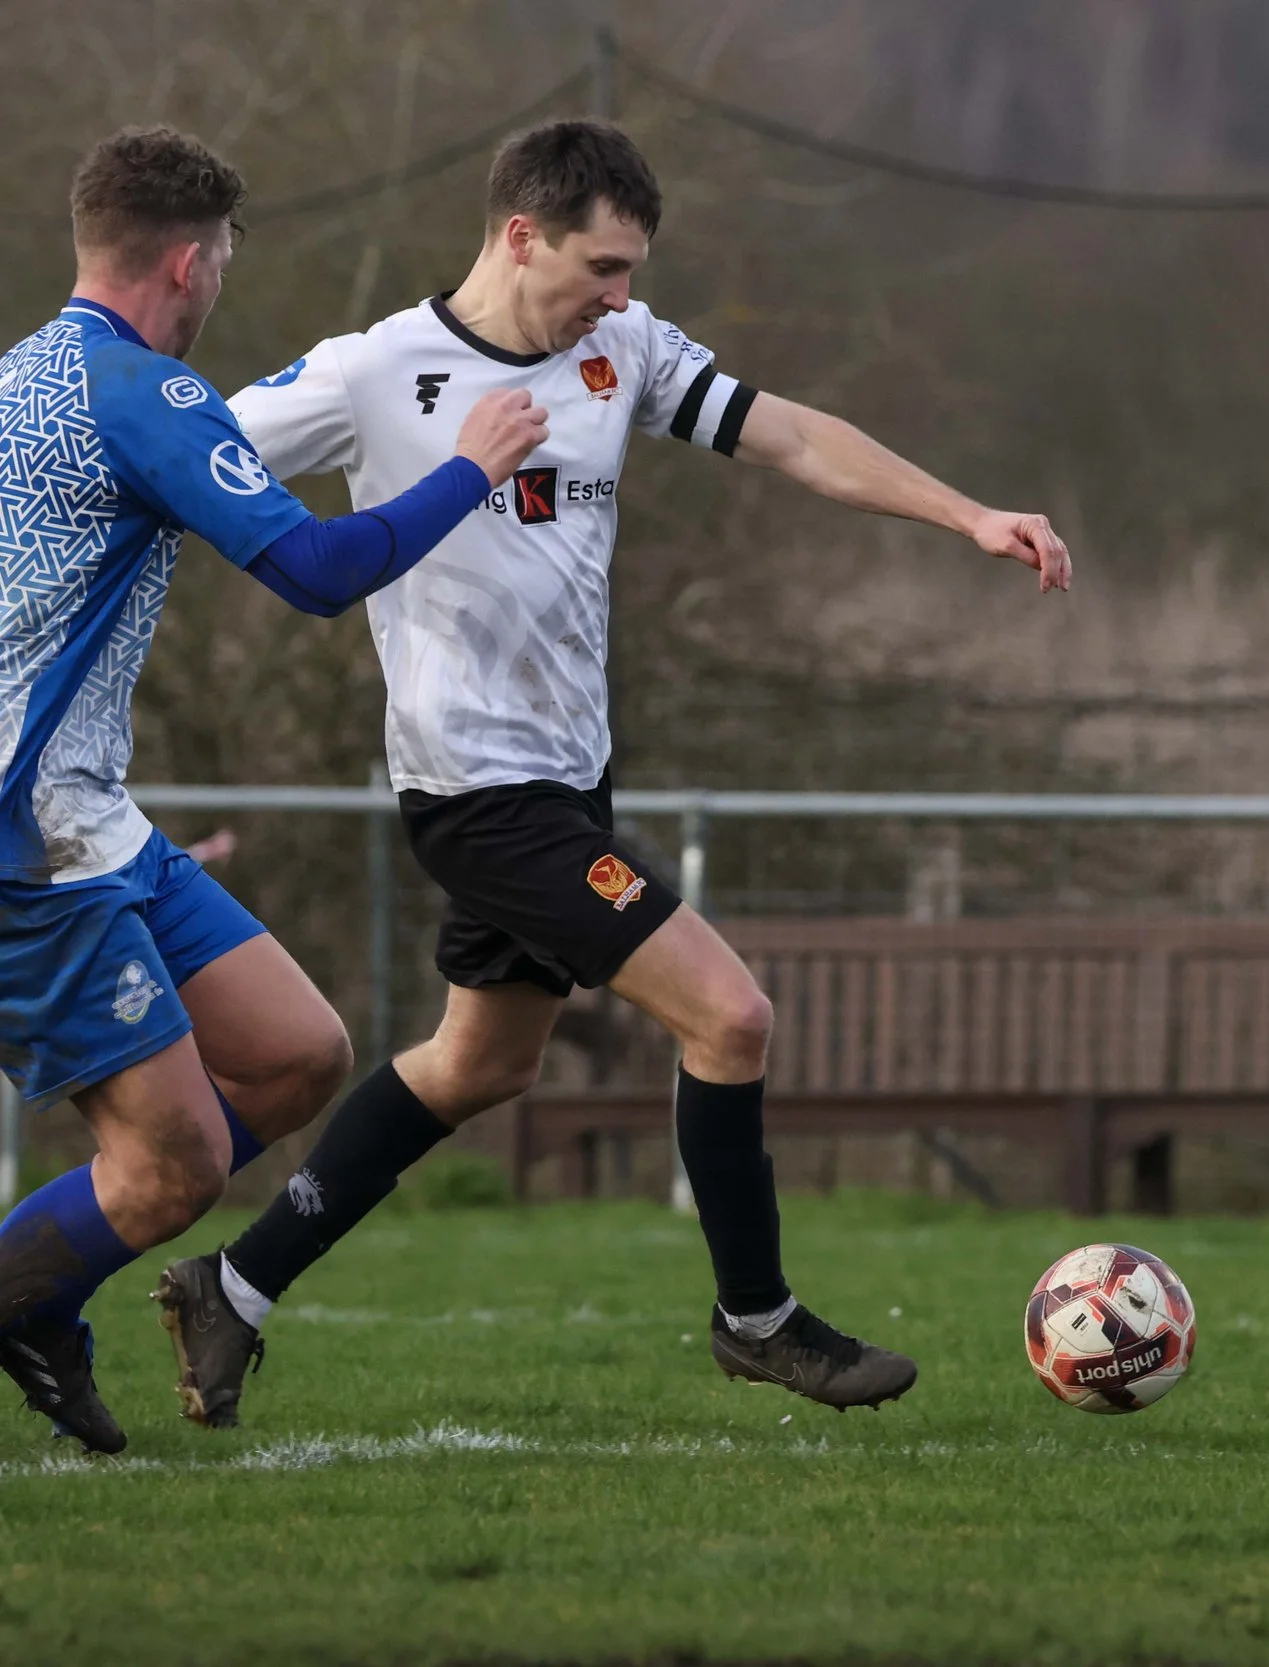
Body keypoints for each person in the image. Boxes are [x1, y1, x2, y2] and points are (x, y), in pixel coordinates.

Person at [155, 118, 1071, 1425]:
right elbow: (185, 461)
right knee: (731, 1016)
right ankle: (758, 1319)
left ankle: (232, 1288)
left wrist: (969, 513)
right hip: (478, 793)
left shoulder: (620, 350)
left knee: (477, 1063)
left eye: (633, 269)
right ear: (522, 236)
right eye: (603, 266)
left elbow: (793, 437)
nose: (622, 295)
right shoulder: (375, 372)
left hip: (568, 782)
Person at [0, 126, 544, 1452]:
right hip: (30, 843)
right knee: (174, 1166)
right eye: (224, 265)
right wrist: (472, 468)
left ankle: (40, 1288)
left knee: (299, 1051)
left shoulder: (23, 375)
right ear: (190, 264)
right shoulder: (142, 393)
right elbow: (314, 570)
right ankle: (23, 1292)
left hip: (90, 818)